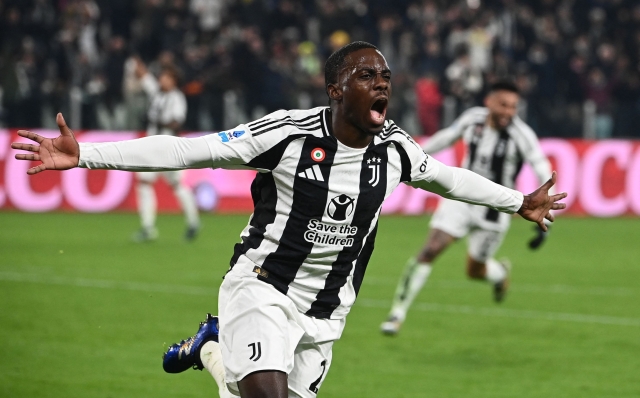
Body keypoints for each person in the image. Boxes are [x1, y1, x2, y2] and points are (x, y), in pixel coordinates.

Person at [11, 42, 566, 398]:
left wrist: (519, 202)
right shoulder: (288, 134)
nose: (382, 83)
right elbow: (187, 151)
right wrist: (85, 154)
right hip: (263, 288)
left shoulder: (394, 148)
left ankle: (209, 347)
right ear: (334, 90)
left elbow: (449, 178)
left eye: (385, 75)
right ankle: (220, 337)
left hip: (327, 310)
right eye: (365, 74)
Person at [380, 80, 553, 336]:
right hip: (460, 200)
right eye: (503, 105)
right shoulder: (474, 119)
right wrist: (412, 155)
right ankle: (397, 313)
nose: (508, 112)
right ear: (489, 102)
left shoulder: (521, 134)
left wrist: (548, 216)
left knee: (474, 270)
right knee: (429, 250)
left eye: (513, 107)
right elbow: (447, 137)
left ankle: (499, 274)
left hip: (497, 209)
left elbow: (540, 165)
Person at [133, 58, 200, 242]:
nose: (162, 80)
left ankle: (193, 221)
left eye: (166, 77)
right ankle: (148, 227)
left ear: (174, 80)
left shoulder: (177, 97)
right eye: (161, 76)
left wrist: (159, 121)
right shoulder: (158, 93)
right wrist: (137, 64)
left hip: (169, 147)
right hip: (152, 146)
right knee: (144, 183)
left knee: (177, 185)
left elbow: (177, 122)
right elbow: (145, 78)